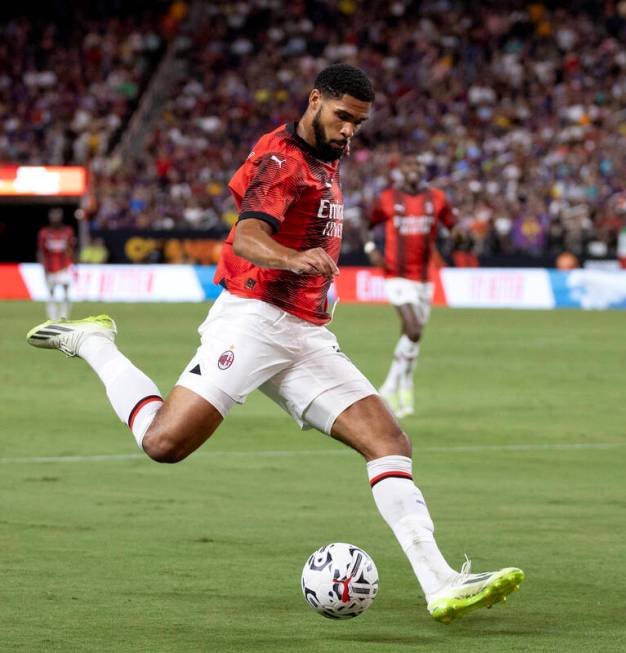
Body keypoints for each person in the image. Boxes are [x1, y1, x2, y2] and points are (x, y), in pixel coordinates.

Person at [26, 63, 523, 622]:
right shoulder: (282, 159)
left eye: (358, 124)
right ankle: (96, 343)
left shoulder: (327, 162)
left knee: (389, 443)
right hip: (253, 320)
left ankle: (441, 583)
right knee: (165, 443)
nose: (348, 132)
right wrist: (294, 260)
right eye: (342, 118)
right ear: (315, 100)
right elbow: (247, 235)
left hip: (306, 334)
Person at [367, 155, 457, 418]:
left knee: (411, 340)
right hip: (395, 274)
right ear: (400, 172)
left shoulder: (437, 199)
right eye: (408, 166)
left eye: (417, 165)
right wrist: (371, 248)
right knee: (414, 329)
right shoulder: (386, 198)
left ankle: (404, 384)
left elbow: (453, 227)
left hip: (425, 279)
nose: (413, 170)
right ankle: (388, 387)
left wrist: (461, 236)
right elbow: (367, 224)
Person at [37, 208, 76, 320]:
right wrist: (43, 266)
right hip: (50, 268)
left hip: (64, 267)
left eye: (57, 215)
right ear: (50, 217)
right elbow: (41, 251)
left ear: (61, 217)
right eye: (53, 216)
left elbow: (71, 248)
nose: (55, 218)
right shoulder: (44, 233)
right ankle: (52, 319)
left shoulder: (68, 231)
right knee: (50, 294)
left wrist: (72, 262)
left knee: (66, 292)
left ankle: (64, 316)